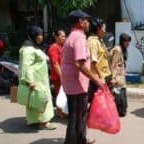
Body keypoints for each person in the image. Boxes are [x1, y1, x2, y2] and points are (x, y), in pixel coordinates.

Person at [61, 10, 104, 144]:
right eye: (86, 20)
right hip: (77, 82)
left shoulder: (71, 36)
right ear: (80, 22)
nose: (88, 23)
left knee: (77, 115)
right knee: (78, 116)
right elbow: (79, 63)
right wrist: (96, 79)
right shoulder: (79, 37)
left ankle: (81, 139)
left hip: (71, 81)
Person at [18, 25, 56, 130]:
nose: (41, 37)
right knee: (40, 100)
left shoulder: (34, 47)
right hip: (36, 81)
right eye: (39, 35)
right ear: (33, 35)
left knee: (37, 101)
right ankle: (43, 122)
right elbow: (26, 66)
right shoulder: (28, 49)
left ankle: (36, 121)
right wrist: (30, 81)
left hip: (41, 80)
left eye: (42, 35)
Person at [87, 18, 112, 102]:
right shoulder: (93, 42)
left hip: (104, 75)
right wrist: (101, 78)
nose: (105, 31)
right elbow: (94, 62)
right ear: (98, 29)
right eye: (104, 29)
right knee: (97, 103)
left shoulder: (100, 40)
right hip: (98, 78)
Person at [109, 33, 131, 117]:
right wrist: (114, 78)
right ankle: (117, 111)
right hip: (117, 76)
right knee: (118, 95)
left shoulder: (123, 49)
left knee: (120, 94)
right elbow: (114, 64)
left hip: (121, 75)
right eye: (126, 41)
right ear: (122, 41)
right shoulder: (118, 50)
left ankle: (119, 110)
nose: (128, 43)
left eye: (128, 41)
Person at [47, 30, 66, 98]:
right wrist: (62, 76)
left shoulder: (61, 47)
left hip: (63, 78)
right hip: (58, 78)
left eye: (65, 36)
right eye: (62, 36)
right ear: (56, 37)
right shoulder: (54, 47)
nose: (64, 38)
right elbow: (55, 63)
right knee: (61, 99)